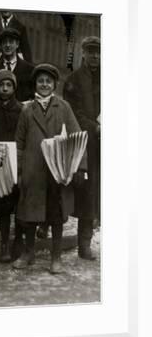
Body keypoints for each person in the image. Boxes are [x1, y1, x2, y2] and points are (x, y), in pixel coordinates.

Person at [13, 63, 86, 274]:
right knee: (29, 215)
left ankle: (56, 257)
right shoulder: (27, 110)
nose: (44, 84)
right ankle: (28, 253)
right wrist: (18, 170)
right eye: (40, 81)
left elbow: (77, 137)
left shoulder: (63, 107)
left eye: (48, 81)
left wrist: (79, 167)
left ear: (54, 84)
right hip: (32, 170)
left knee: (55, 214)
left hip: (57, 171)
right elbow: (19, 142)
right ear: (35, 84)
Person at [63, 36, 101, 260]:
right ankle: (83, 243)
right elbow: (73, 113)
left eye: (98, 52)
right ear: (83, 53)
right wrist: (93, 128)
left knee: (98, 193)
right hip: (85, 144)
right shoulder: (74, 80)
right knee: (84, 191)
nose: (95, 55)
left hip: (106, 144)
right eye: (91, 51)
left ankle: (88, 237)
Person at [0, 70, 24, 261]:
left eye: (9, 85)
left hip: (17, 163)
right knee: (3, 205)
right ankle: (4, 244)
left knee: (19, 203)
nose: (5, 89)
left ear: (14, 87)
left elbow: (23, 135)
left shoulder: (22, 110)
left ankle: (18, 241)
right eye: (2, 85)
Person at [0, 28, 35, 102]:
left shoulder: (29, 69)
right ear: (0, 46)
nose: (7, 45)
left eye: (11, 42)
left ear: (17, 44)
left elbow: (32, 97)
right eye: (4, 42)